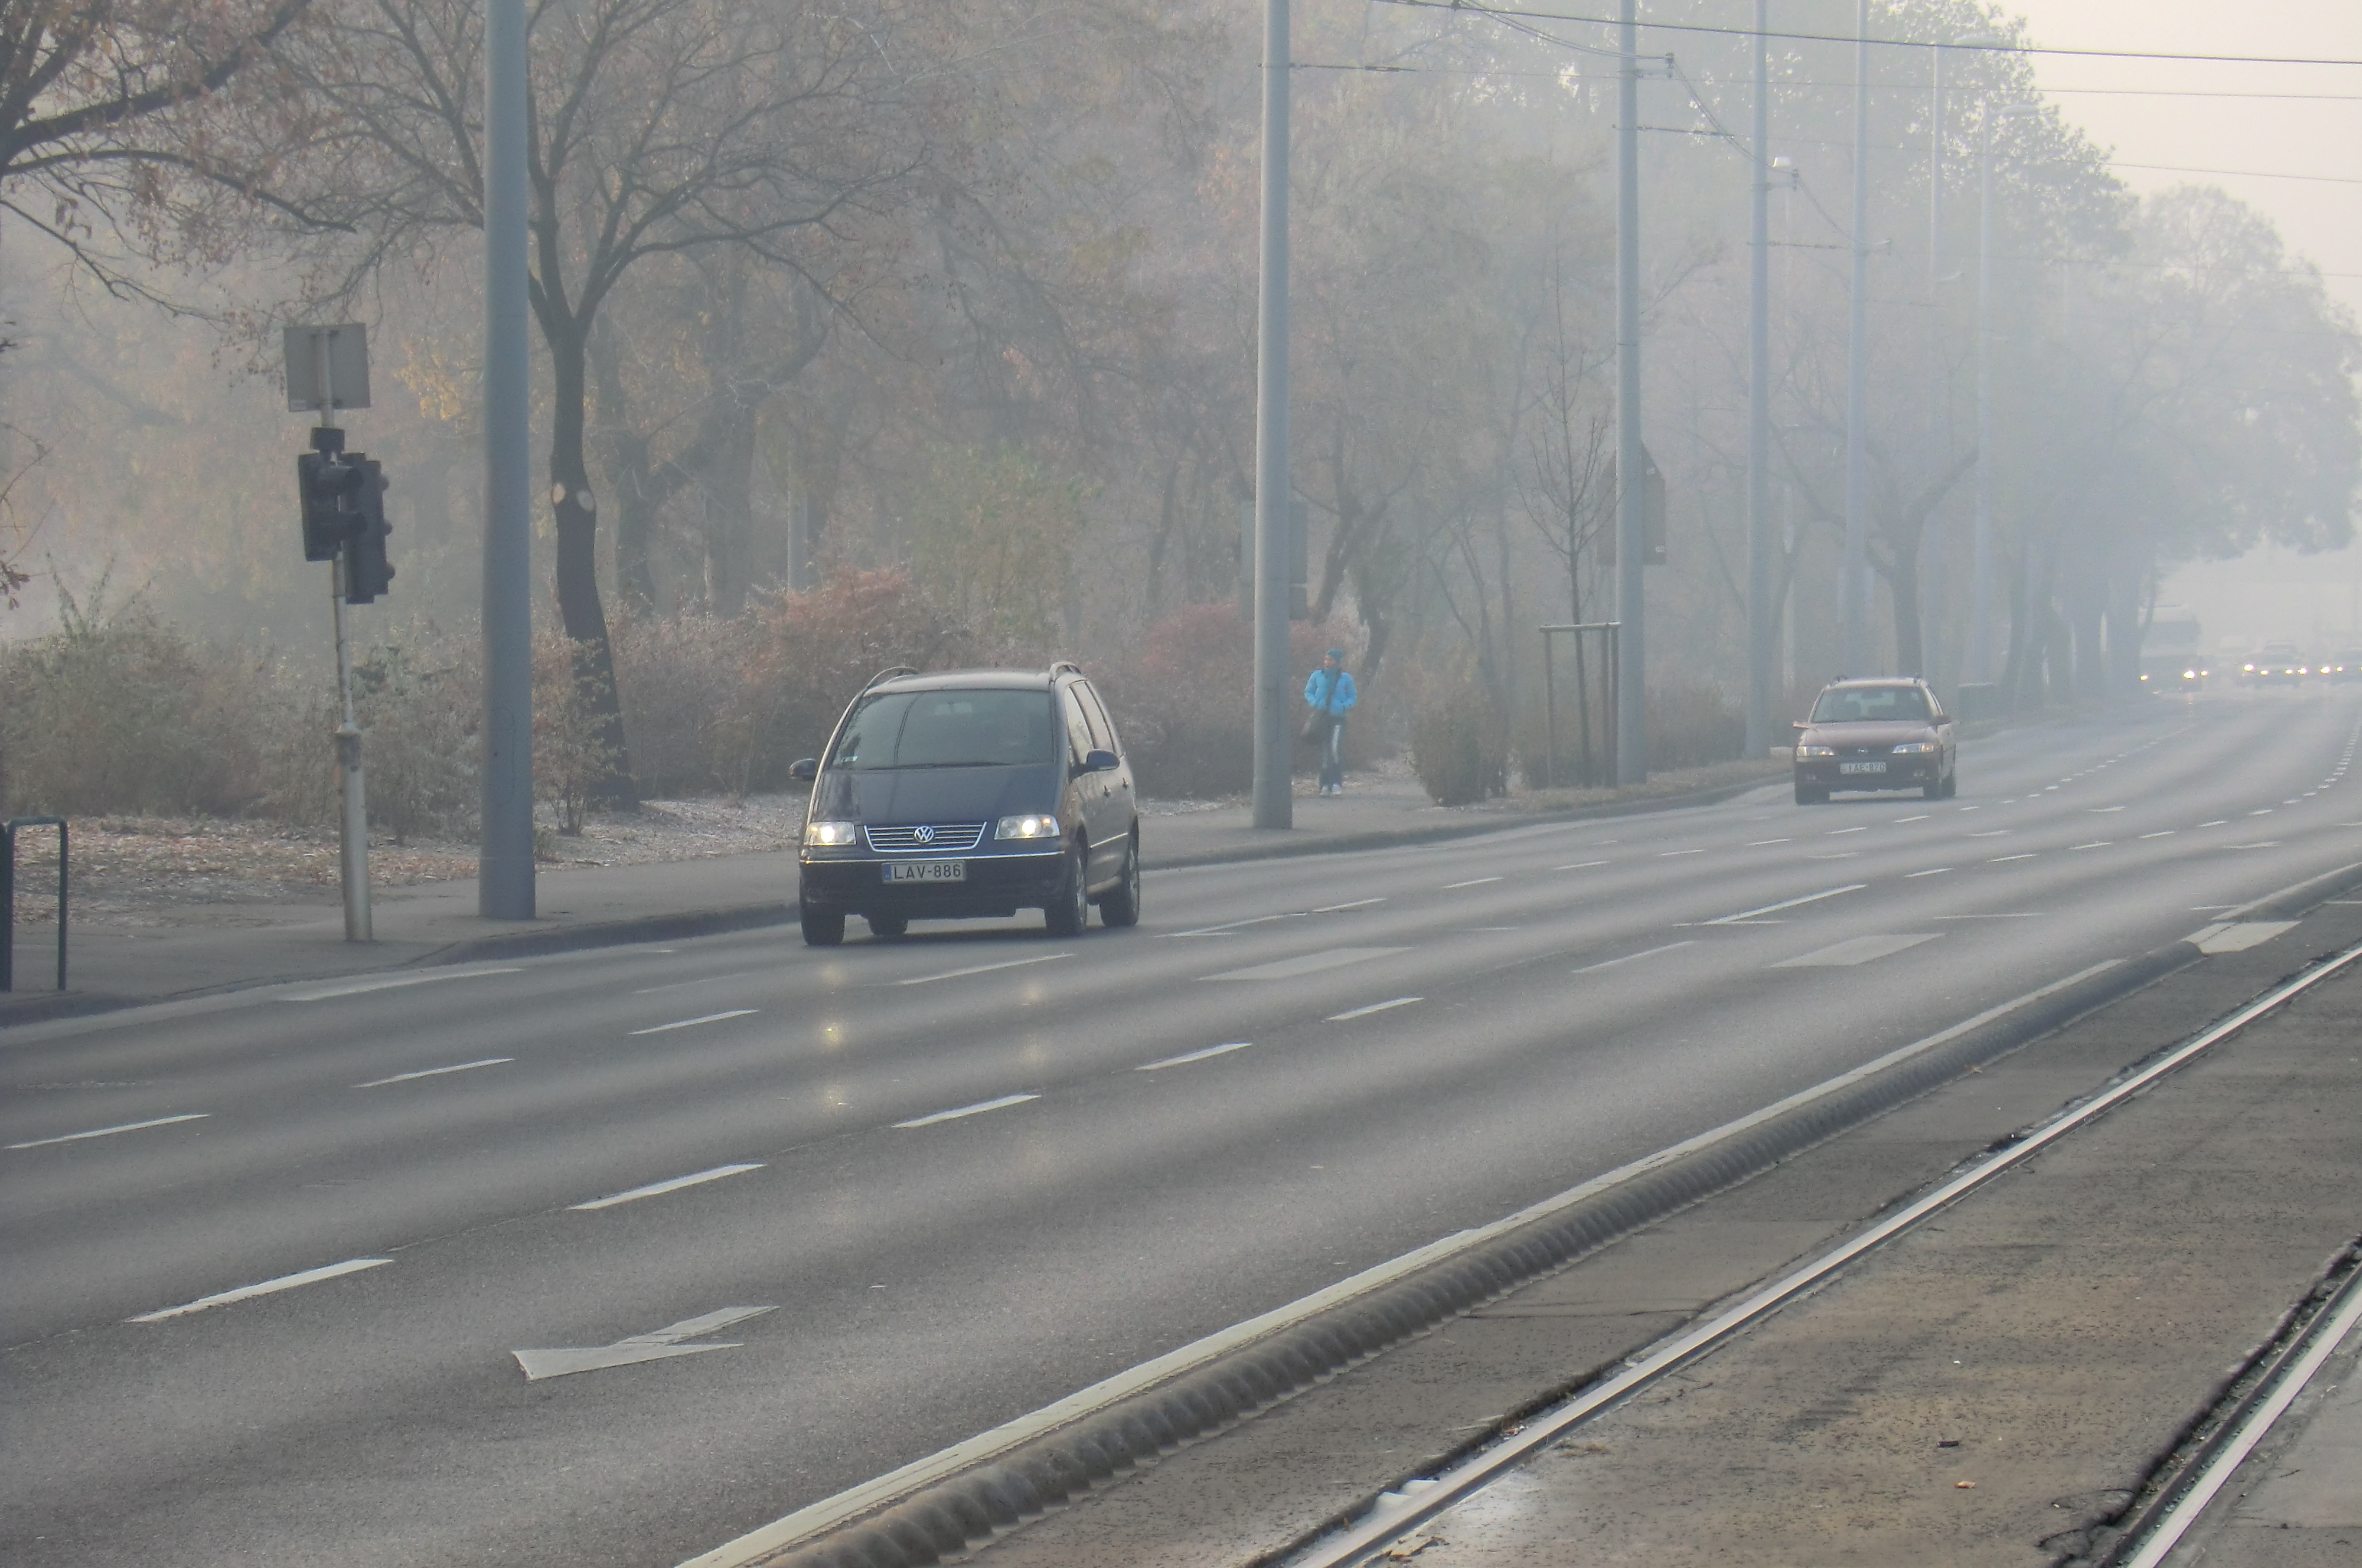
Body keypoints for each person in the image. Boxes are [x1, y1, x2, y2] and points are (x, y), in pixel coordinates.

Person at [1303, 648, 1357, 796]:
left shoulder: (1346, 678)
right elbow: (1308, 692)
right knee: (1325, 752)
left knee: (1334, 749)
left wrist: (1344, 706)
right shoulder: (1317, 675)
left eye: (1331, 660)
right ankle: (1324, 785)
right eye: (1326, 659)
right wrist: (1315, 703)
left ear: (1338, 662)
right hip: (1322, 718)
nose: (1327, 662)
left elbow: (1353, 697)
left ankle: (1336, 783)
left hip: (1338, 718)